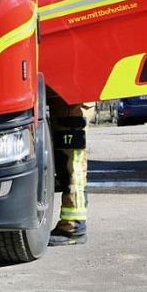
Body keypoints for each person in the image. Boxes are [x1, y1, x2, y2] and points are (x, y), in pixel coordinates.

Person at [46, 89, 90, 246]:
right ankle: (72, 226)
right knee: (67, 165)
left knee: (72, 167)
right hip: (67, 100)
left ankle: (73, 227)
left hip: (73, 103)